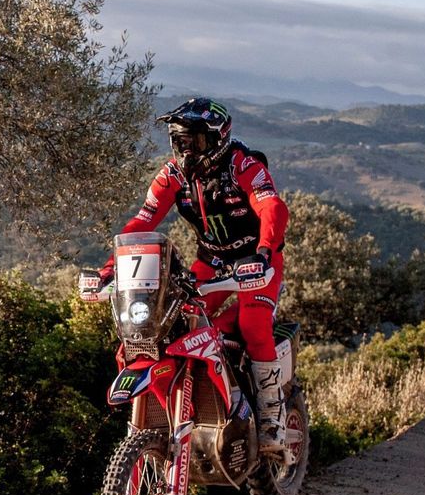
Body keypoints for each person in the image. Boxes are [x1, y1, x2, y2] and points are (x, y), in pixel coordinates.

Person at [102, 97, 290, 445]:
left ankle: (271, 416)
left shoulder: (242, 166)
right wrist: (111, 267)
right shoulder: (172, 174)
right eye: (179, 142)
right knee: (172, 324)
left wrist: (264, 251)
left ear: (218, 139)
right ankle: (194, 404)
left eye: (195, 142)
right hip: (212, 260)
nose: (186, 151)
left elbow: (271, 206)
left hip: (257, 260)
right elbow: (144, 220)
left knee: (253, 323)